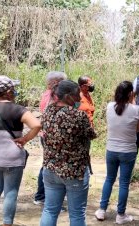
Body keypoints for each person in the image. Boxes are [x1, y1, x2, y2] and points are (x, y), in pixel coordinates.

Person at [0, 75, 41, 226]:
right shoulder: (19, 110)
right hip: (13, 159)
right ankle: (7, 223)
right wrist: (25, 139)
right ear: (8, 91)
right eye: (13, 88)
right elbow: (37, 125)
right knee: (10, 194)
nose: (15, 91)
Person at [39, 80, 96, 226]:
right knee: (77, 214)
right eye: (77, 95)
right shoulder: (78, 116)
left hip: (50, 168)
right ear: (68, 96)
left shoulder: (47, 112)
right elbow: (91, 134)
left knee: (50, 210)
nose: (79, 98)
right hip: (74, 171)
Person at [94, 81, 139, 224]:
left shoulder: (109, 107)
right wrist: (133, 102)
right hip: (128, 151)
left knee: (109, 179)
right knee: (123, 183)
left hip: (111, 149)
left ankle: (102, 210)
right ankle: (120, 215)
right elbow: (138, 129)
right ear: (130, 94)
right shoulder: (137, 109)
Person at [34, 71, 67, 206]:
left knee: (48, 164)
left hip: (48, 135)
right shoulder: (52, 97)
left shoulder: (47, 94)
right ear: (56, 83)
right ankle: (44, 196)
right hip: (51, 136)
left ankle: (43, 195)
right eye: (63, 82)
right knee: (50, 165)